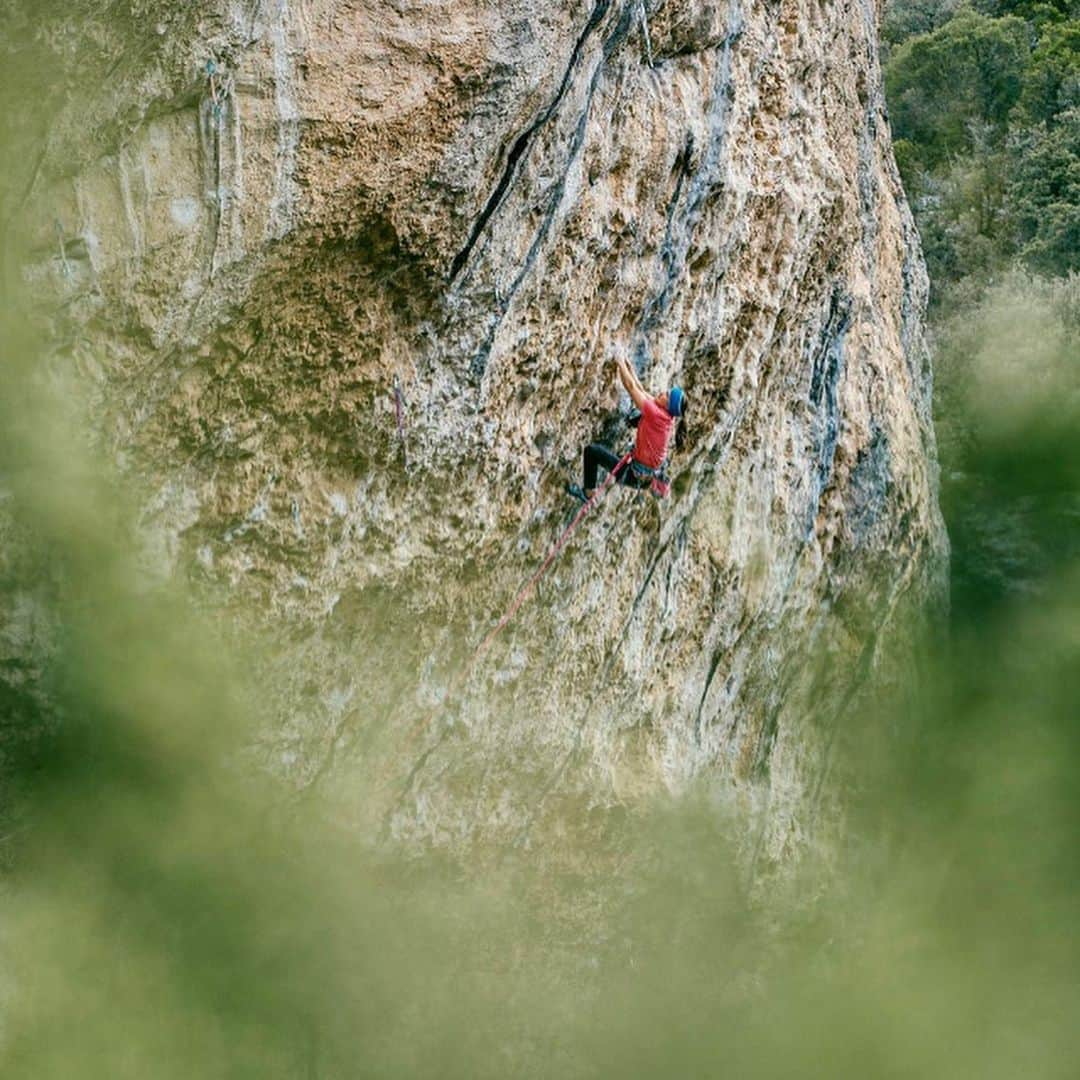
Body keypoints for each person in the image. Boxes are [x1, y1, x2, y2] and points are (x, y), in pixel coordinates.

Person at [567, 352, 687, 502]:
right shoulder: (666, 415)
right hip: (645, 473)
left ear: (668, 405)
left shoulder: (657, 415)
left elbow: (631, 388)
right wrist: (629, 368)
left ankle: (588, 493)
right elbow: (641, 390)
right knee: (636, 415)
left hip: (634, 475)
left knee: (591, 452)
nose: (663, 392)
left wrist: (619, 361)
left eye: (667, 394)